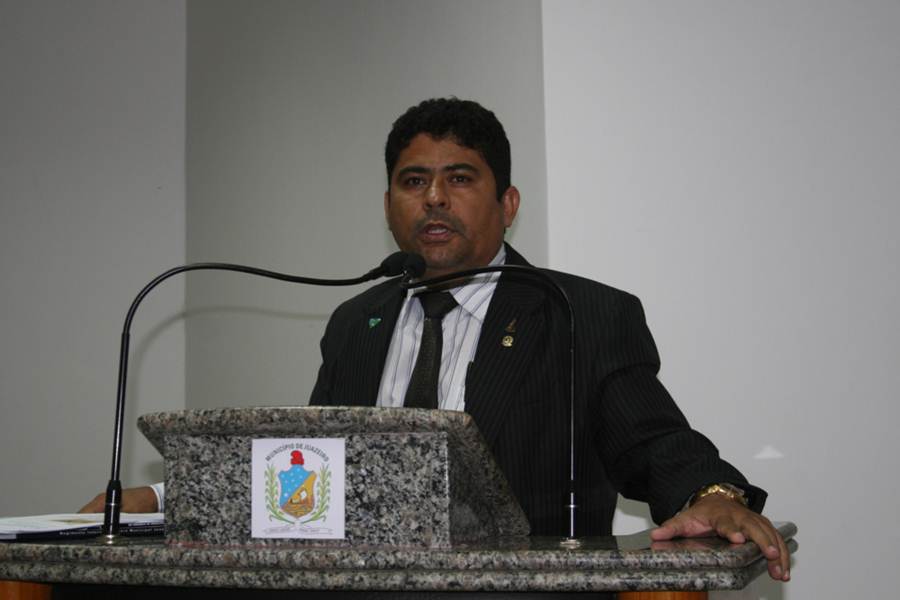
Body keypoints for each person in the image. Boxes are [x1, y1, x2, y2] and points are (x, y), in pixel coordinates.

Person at [82, 98, 789, 582]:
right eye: (413, 180)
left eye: (460, 178)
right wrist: (170, 500)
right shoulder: (356, 322)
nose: (434, 198)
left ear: (507, 204)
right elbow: (309, 470)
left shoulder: (578, 313)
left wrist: (713, 492)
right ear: (390, 204)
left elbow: (655, 442)